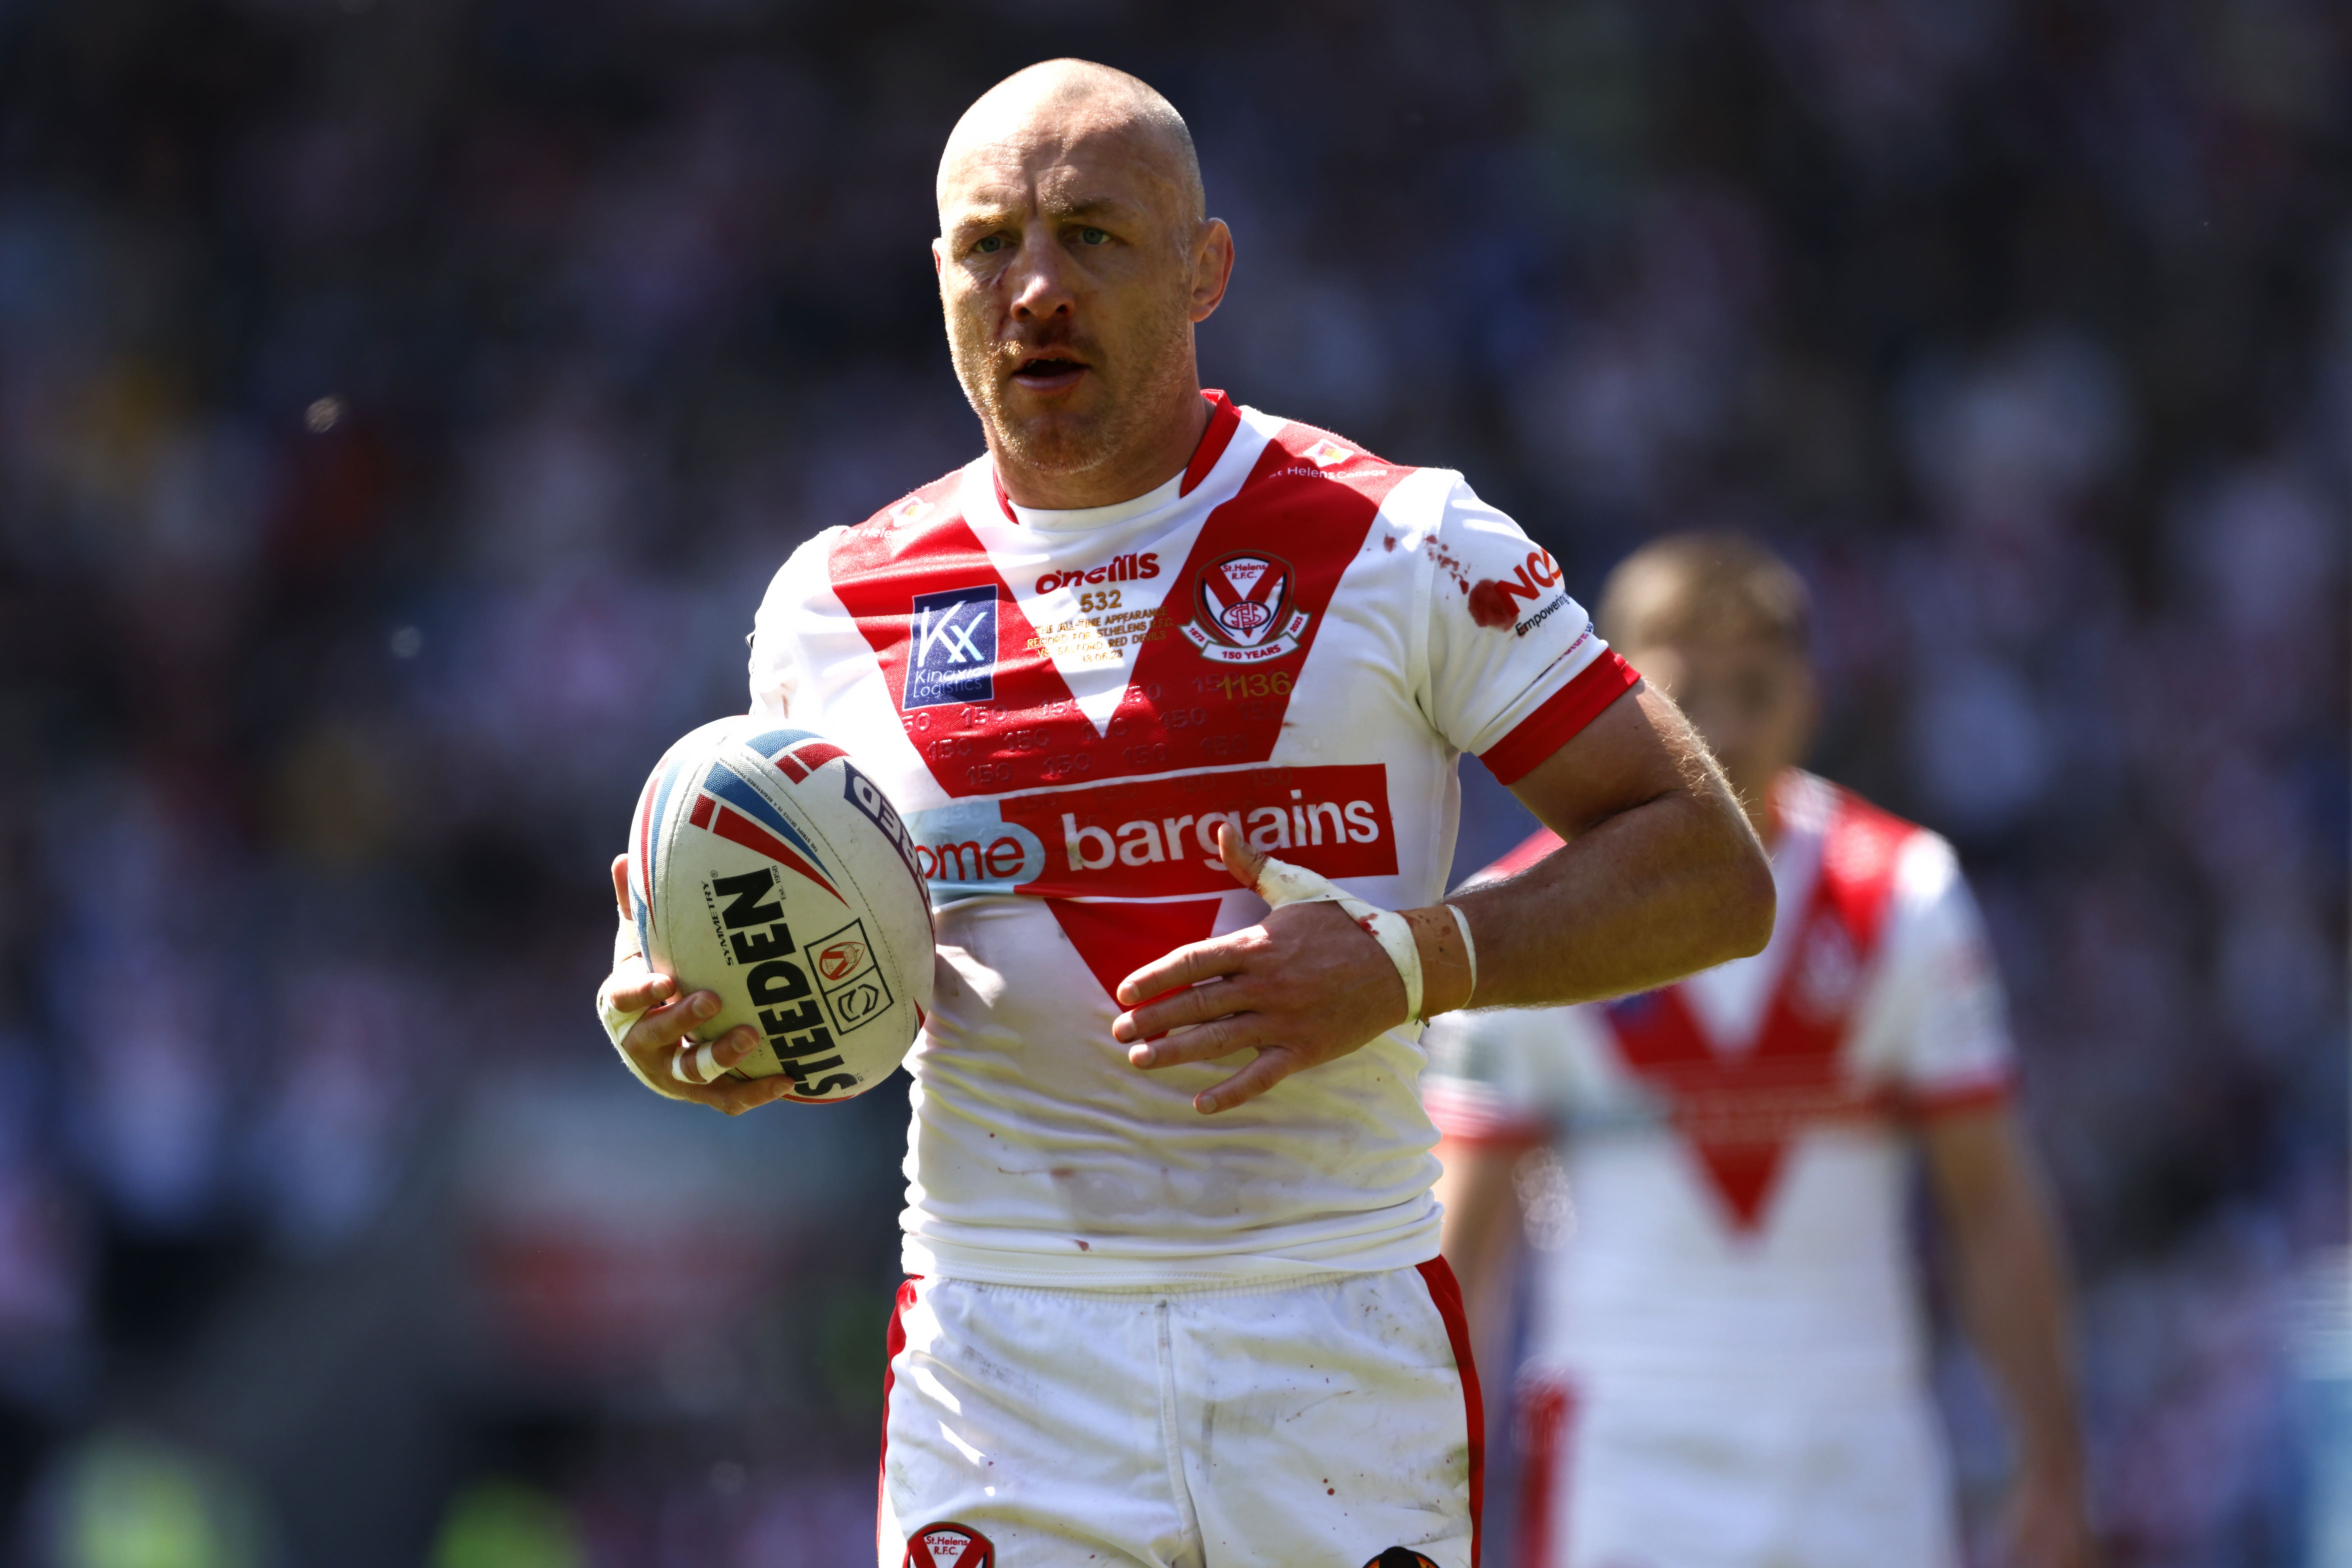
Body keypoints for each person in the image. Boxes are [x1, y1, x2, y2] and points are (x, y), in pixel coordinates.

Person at [595, 62, 1773, 1568]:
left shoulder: (1404, 544)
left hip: (1330, 1336)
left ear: (1207, 269)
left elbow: (1711, 869)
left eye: (1093, 236)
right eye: (988, 245)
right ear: (938, 275)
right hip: (1001, 1354)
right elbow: (828, 972)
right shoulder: (830, 606)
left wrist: (1413, 963)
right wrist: (703, 1025)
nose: (1034, 290)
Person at [1424, 534, 2097, 1568]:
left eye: (1757, 690)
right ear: (1621, 696)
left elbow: (1992, 1200)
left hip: (1861, 1455)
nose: (1727, 729)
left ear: (1811, 698)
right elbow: (1465, 1245)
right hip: (1625, 1459)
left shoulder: (1904, 897)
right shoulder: (1514, 928)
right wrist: (1424, 1490)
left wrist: (2052, 1466)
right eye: (1692, 693)